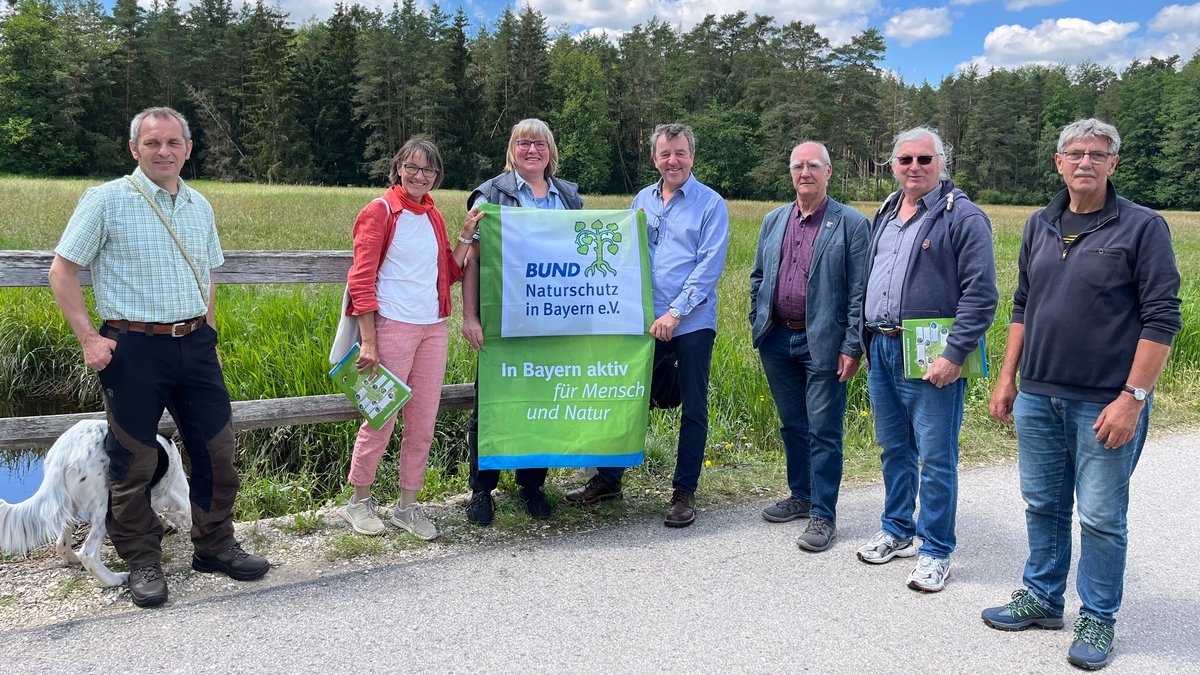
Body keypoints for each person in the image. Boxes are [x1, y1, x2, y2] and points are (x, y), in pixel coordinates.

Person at [47, 107, 269, 608]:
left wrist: (207, 328)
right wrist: (89, 339)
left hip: (194, 344)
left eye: (173, 143)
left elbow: (208, 274)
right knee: (133, 460)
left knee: (217, 450)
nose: (164, 152)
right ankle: (143, 561)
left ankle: (214, 546)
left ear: (188, 149)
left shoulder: (199, 206)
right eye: (153, 144)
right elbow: (61, 272)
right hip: (133, 348)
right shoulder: (105, 201)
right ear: (135, 149)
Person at [981, 119, 1181, 670]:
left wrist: (1133, 397)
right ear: (1058, 162)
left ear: (1114, 164)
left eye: (1098, 154)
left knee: (1099, 515)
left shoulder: (1143, 227)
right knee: (1043, 504)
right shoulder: (1039, 225)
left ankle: (1098, 616)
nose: (1085, 162)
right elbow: (1023, 304)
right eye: (1076, 153)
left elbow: (1163, 318)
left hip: (1106, 402)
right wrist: (1007, 380)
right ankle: (1042, 597)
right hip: (1039, 395)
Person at [565, 123, 730, 528]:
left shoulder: (711, 204)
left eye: (680, 153)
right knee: (625, 397)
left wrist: (674, 313)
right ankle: (608, 480)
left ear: (692, 156)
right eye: (664, 154)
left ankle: (683, 492)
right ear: (654, 158)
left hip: (690, 323)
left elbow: (709, 267)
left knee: (693, 407)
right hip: (641, 321)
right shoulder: (642, 198)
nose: (672, 161)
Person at [856, 127, 997, 592]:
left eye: (924, 159)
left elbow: (981, 295)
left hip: (932, 356)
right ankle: (898, 530)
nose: (914, 167)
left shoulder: (964, 217)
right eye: (905, 160)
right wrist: (861, 340)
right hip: (882, 346)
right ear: (892, 165)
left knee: (937, 458)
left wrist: (955, 354)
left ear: (942, 163)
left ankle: (936, 550)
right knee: (894, 448)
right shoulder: (885, 212)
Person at [340, 139, 479, 540]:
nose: (421, 176)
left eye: (429, 170)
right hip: (392, 327)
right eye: (413, 168)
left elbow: (449, 273)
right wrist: (369, 341)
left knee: (422, 423)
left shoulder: (432, 213)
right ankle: (359, 501)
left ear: (437, 175)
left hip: (433, 327)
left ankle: (407, 506)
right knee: (380, 417)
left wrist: (466, 235)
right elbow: (361, 281)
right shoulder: (380, 211)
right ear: (398, 167)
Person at [460, 118, 585, 526]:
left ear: (551, 150)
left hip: (553, 319)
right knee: (492, 404)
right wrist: (470, 316)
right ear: (512, 148)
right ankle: (482, 490)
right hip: (502, 318)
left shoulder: (568, 197)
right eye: (524, 143)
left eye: (541, 144)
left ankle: (532, 485)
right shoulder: (489, 193)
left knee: (543, 403)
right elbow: (474, 260)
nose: (533, 150)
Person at [749, 141, 870, 551]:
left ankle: (823, 514)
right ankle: (800, 495)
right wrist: (757, 320)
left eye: (813, 166)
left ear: (829, 172)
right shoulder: (773, 220)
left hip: (824, 341)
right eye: (798, 166)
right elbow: (759, 277)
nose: (805, 173)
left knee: (824, 431)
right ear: (791, 172)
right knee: (792, 425)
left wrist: (852, 345)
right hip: (777, 338)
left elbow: (859, 292)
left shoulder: (851, 223)